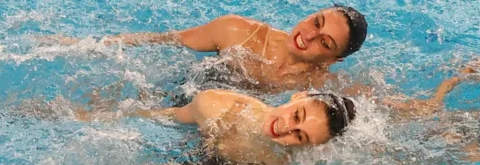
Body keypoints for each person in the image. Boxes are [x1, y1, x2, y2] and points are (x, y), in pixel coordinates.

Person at [93, 6, 368, 92]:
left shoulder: (319, 88)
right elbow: (165, 40)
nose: (308, 35)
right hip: (184, 97)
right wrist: (93, 45)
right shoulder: (239, 33)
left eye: (325, 42)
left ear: (335, 59)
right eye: (316, 22)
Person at [113, 89, 357, 165]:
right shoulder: (217, 106)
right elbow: (162, 118)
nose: (285, 128)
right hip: (176, 146)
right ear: (298, 96)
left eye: (299, 136)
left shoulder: (284, 163)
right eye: (296, 115)